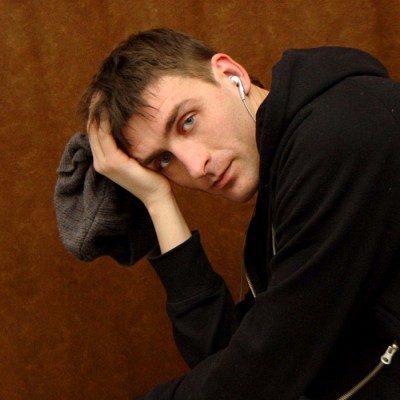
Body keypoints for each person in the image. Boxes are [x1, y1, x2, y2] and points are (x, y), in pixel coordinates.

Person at [80, 28, 400, 399]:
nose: (195, 166)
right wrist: (157, 200)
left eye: (187, 121)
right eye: (164, 159)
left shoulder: (338, 134)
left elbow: (261, 374)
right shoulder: (280, 187)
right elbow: (224, 355)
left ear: (231, 74)